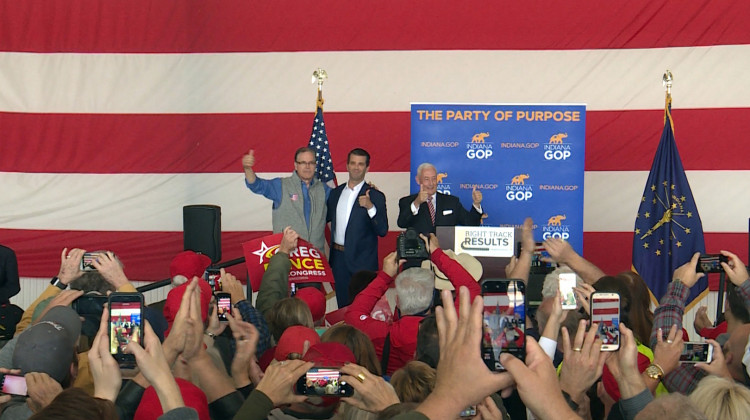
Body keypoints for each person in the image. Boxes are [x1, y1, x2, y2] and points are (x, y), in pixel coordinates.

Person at [345, 234, 481, 375]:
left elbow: (353, 315)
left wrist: (385, 276)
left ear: (397, 300)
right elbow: (470, 289)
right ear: (432, 300)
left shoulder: (381, 334)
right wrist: (437, 254)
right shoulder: (450, 328)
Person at [326, 148, 388, 307]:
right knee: (342, 307)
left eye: (360, 164)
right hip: (338, 260)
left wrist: (370, 207)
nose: (356, 167)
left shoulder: (375, 196)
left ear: (367, 168)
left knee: (362, 308)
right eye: (353, 163)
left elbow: (382, 230)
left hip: (363, 263)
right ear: (347, 166)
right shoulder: (335, 193)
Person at [242, 147, 331, 252]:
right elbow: (256, 185)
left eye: (311, 163)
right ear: (296, 165)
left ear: (315, 165)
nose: (307, 166)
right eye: (303, 162)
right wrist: (247, 169)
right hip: (287, 258)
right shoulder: (281, 185)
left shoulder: (324, 189)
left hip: (315, 259)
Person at [397, 163, 483, 235]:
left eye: (434, 178)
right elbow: (402, 223)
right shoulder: (406, 202)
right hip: (419, 253)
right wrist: (417, 203)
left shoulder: (452, 202)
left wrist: (476, 204)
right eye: (426, 179)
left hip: (445, 252)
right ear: (418, 180)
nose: (431, 183)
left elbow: (471, 223)